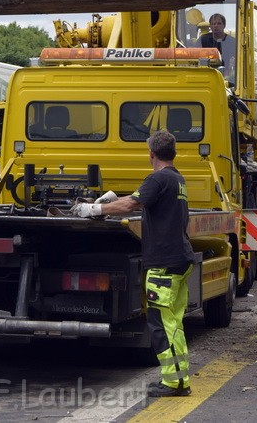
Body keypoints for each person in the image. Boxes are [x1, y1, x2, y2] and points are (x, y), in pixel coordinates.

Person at [70, 130, 195, 397]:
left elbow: (131, 205)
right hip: (179, 259)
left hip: (164, 262)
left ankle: (173, 383)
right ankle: (179, 379)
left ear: (151, 153)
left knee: (162, 325)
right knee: (174, 323)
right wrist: (115, 199)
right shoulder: (176, 179)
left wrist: (94, 209)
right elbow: (140, 200)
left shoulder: (158, 177)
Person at [198, 12, 236, 84]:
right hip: (205, 75)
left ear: (224, 25)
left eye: (219, 23)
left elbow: (237, 62)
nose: (216, 26)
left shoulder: (232, 42)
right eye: (213, 24)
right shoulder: (203, 40)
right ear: (210, 26)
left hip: (227, 77)